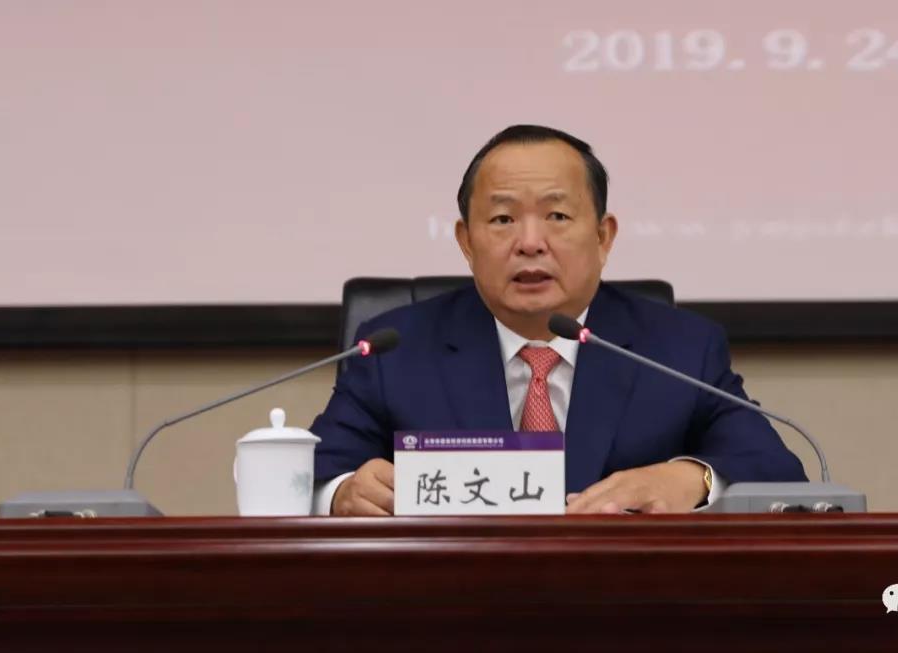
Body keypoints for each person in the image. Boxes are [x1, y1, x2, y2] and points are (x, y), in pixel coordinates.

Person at [309, 124, 807, 516]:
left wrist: (691, 479)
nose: (530, 243)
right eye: (503, 219)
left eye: (558, 217)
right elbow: (312, 474)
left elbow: (778, 474)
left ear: (603, 237)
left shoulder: (680, 349)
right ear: (466, 241)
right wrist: (342, 492)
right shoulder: (397, 349)